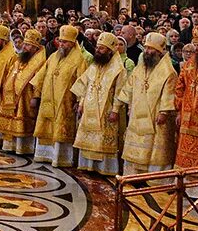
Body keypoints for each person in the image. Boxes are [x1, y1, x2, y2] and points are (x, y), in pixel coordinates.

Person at [117, 31, 178, 175]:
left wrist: (164, 112)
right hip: (137, 114)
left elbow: (169, 94)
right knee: (135, 147)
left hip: (156, 116)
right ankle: (133, 175)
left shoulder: (169, 72)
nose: (147, 51)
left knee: (155, 149)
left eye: (150, 48)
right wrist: (125, 105)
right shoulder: (140, 67)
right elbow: (130, 87)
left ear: (159, 51)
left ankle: (154, 177)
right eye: (145, 48)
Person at [32, 24, 91, 167]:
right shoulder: (53, 56)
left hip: (66, 101)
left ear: (72, 43)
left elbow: (83, 82)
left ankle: (60, 158)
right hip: (48, 99)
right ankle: (44, 155)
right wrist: (36, 95)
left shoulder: (80, 60)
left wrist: (79, 101)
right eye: (60, 41)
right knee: (45, 126)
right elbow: (41, 76)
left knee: (61, 129)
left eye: (65, 42)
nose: (61, 44)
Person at [72, 31, 129, 175]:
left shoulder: (119, 69)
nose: (97, 50)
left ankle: (103, 168)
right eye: (97, 47)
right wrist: (81, 103)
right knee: (87, 139)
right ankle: (87, 165)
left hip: (106, 109)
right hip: (88, 107)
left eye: (101, 48)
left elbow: (120, 91)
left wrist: (115, 110)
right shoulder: (94, 65)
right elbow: (86, 85)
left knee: (103, 140)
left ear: (110, 51)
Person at [0, 29, 47, 154]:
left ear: (35, 47)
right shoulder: (21, 58)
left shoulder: (40, 62)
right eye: (25, 44)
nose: (25, 47)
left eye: (28, 45)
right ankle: (10, 146)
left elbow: (39, 81)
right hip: (12, 95)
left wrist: (36, 97)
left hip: (26, 97)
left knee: (23, 121)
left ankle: (23, 147)